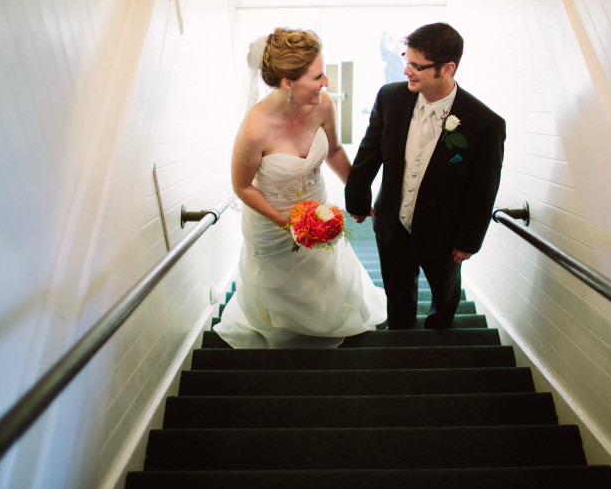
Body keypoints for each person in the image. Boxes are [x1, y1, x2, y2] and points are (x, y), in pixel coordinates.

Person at [214, 28, 387, 348]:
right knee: (282, 285)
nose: (326, 83)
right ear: (287, 82)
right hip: (272, 219)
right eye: (317, 76)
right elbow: (241, 186)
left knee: (323, 273)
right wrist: (287, 223)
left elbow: (334, 150)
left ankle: (328, 321)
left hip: (317, 204)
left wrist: (359, 193)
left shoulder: (322, 106)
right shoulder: (254, 129)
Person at [345, 22, 505, 329]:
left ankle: (439, 329)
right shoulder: (390, 98)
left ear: (447, 69)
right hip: (392, 222)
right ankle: (401, 335)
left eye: (417, 66)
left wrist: (469, 240)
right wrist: (356, 198)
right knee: (397, 294)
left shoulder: (485, 124)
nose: (406, 71)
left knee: (444, 294)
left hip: (444, 234)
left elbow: (482, 189)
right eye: (407, 60)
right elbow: (368, 153)